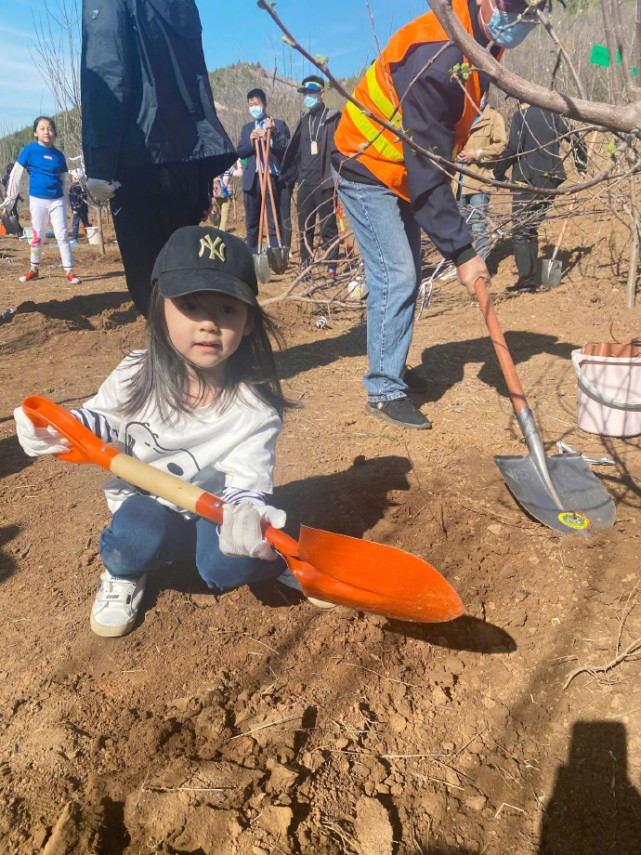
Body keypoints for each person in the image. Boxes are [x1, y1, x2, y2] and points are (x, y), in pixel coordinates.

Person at [14, 226, 330, 638]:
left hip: (216, 510)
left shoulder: (253, 410)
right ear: (160, 310)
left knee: (227, 563)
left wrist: (246, 515)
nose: (209, 325)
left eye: (227, 310)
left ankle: (280, 559)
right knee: (134, 538)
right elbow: (99, 420)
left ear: (249, 321)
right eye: (191, 306)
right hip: (148, 504)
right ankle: (125, 575)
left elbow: (247, 481)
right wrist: (57, 427)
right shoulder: (135, 373)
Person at [332, 0, 542, 429]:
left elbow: (431, 155)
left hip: (404, 171)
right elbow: (426, 169)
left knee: (403, 272)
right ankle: (383, 388)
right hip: (367, 162)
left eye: (534, 10)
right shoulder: (437, 55)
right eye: (515, 5)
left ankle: (391, 367)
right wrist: (463, 253)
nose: (522, 17)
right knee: (398, 275)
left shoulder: (480, 37)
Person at [81, 0, 238, 317]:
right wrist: (203, 176)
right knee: (183, 275)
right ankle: (196, 362)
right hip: (188, 160)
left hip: (141, 160)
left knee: (151, 286)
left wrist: (99, 164)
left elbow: (107, 70)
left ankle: (173, 363)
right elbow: (196, 80)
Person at [494, 100, 587, 291]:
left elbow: (513, 148)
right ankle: (528, 280)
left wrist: (496, 172)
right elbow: (576, 137)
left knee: (520, 230)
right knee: (531, 226)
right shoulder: (553, 114)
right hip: (551, 179)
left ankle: (526, 282)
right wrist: (581, 165)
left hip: (528, 179)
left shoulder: (522, 117)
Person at [1, 117, 80, 285]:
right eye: (42, 128)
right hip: (38, 199)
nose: (47, 132)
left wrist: (66, 199)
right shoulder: (29, 151)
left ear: (54, 133)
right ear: (35, 132)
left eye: (50, 128)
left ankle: (69, 271)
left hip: (57, 200)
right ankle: (34, 269)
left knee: (62, 235)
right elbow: (16, 174)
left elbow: (63, 178)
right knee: (38, 235)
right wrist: (10, 199)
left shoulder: (59, 155)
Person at [281, 75, 341, 276]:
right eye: (305, 93)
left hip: (325, 182)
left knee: (328, 227)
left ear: (322, 93)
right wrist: (292, 177)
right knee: (305, 226)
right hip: (305, 182)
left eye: (311, 93)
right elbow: (295, 153)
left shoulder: (332, 118)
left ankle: (331, 264)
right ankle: (305, 264)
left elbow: (339, 149)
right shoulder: (303, 121)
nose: (308, 96)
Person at [237, 88, 290, 256]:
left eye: (257, 104)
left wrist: (269, 138)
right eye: (250, 104)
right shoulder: (246, 129)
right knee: (252, 221)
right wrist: (252, 142)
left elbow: (286, 149)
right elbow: (240, 152)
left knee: (273, 219)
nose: (254, 107)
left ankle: (276, 254)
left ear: (264, 104)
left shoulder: (277, 124)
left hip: (271, 177)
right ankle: (253, 254)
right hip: (252, 179)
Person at [456, 90, 506, 255]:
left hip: (479, 181)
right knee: (461, 229)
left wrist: (476, 154)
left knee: (479, 226)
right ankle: (465, 265)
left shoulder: (493, 117)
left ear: (485, 95)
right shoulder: (462, 115)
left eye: (480, 94)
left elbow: (500, 145)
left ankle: (480, 266)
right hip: (458, 182)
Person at [1, 162, 23, 236]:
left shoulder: (10, 178)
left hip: (12, 198)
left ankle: (18, 230)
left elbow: (14, 190)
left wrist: (19, 197)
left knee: (12, 214)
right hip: (9, 197)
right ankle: (14, 230)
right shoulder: (8, 178)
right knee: (10, 213)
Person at [68, 170, 91, 242]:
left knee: (75, 223)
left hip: (78, 209)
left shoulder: (73, 188)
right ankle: (91, 237)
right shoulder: (83, 187)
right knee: (86, 223)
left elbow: (73, 199)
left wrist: (74, 208)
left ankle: (75, 238)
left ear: (75, 178)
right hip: (84, 208)